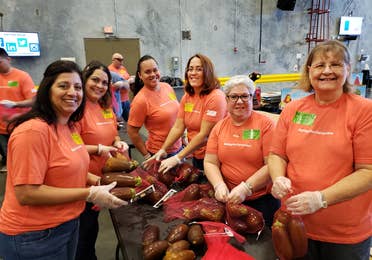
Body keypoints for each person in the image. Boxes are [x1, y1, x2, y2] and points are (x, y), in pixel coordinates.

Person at [0, 60, 126, 260]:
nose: (72, 92)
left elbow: (69, 168)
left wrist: (99, 182)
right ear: (47, 89)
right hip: (34, 235)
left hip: (67, 223)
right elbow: (27, 193)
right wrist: (90, 193)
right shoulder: (33, 131)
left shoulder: (68, 126)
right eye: (63, 86)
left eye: (77, 87)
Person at [268, 40, 372, 260]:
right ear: (309, 71)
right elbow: (277, 154)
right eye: (319, 65)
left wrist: (321, 198)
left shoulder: (364, 111)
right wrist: (277, 178)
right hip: (295, 221)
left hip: (343, 233)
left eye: (335, 64)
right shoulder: (293, 109)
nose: (326, 71)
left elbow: (368, 172)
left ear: (348, 69)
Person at [204, 75, 279, 226]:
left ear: (252, 98)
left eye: (245, 96)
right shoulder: (219, 127)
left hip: (261, 200)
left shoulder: (266, 126)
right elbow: (210, 161)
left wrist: (247, 188)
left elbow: (272, 164)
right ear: (227, 99)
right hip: (230, 200)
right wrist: (219, 185)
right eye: (234, 97)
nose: (239, 101)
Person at [76, 60, 129, 260]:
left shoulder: (105, 106)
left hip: (104, 177)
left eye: (104, 82)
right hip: (83, 179)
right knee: (83, 230)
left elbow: (113, 132)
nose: (100, 86)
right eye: (95, 80)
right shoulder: (76, 109)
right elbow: (66, 148)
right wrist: (98, 148)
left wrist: (117, 142)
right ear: (84, 79)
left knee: (91, 228)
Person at [147, 53, 227, 172]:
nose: (193, 73)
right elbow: (178, 127)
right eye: (190, 69)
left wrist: (178, 157)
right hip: (196, 153)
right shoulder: (188, 97)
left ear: (208, 72)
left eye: (199, 69)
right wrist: (163, 149)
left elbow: (205, 136)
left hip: (215, 157)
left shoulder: (216, 97)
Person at [127, 55, 181, 161]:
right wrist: (147, 156)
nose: (153, 74)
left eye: (155, 70)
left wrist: (182, 138)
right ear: (140, 75)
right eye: (147, 72)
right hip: (160, 153)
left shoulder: (167, 87)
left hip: (178, 149)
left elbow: (177, 115)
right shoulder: (140, 100)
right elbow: (132, 132)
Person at [0, 47, 36, 169]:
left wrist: (15, 104)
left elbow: (34, 101)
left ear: (8, 59)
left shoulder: (22, 76)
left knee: (22, 160)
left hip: (19, 126)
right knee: (9, 160)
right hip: (1, 130)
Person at [108, 52, 133, 122]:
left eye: (122, 59)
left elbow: (126, 78)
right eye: (119, 59)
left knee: (130, 120)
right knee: (117, 121)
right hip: (117, 100)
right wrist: (124, 83)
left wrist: (130, 79)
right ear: (113, 60)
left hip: (126, 99)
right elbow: (110, 86)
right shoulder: (109, 70)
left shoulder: (123, 68)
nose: (121, 61)